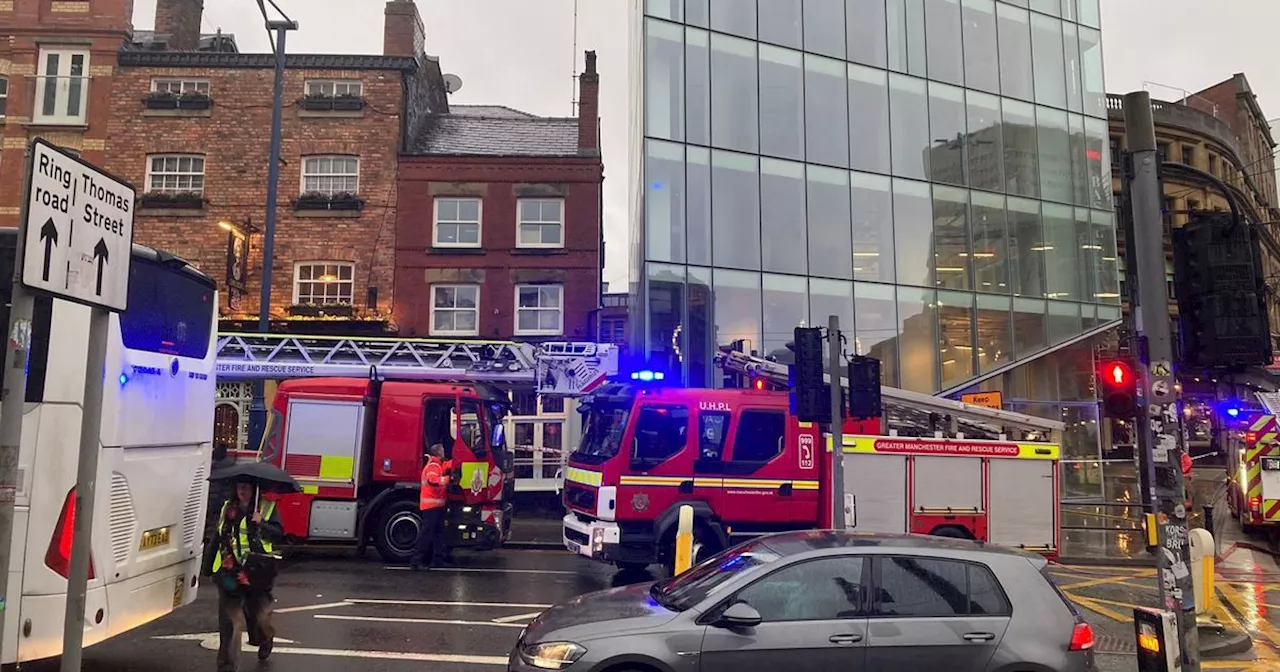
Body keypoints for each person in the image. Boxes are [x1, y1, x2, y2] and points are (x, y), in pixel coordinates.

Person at [210, 479, 282, 672]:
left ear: (254, 489)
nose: (242, 490)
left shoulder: (266, 508)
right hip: (229, 572)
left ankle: (265, 638)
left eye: (246, 487)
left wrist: (262, 524)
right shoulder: (227, 508)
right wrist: (207, 567)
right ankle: (227, 666)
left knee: (261, 618)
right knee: (230, 623)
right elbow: (218, 536)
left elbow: (279, 534)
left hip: (257, 573)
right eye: (239, 486)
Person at [411, 443, 452, 570]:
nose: (444, 452)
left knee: (438, 533)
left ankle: (438, 559)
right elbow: (432, 480)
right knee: (427, 534)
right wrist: (448, 479)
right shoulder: (433, 466)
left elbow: (448, 465)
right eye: (443, 450)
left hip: (436, 506)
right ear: (439, 453)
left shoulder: (438, 465)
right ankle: (416, 562)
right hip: (431, 507)